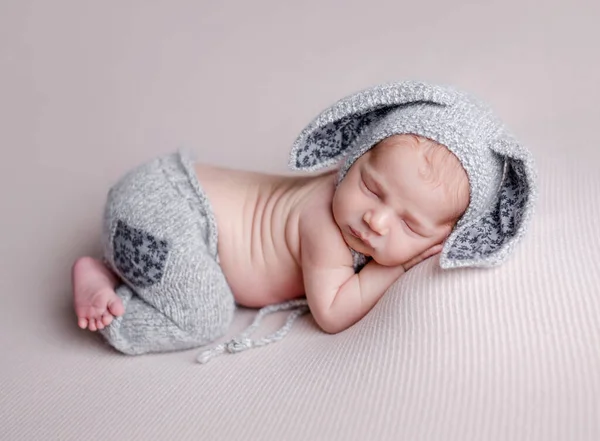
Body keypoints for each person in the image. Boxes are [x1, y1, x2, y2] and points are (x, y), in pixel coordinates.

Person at [71, 80, 537, 363]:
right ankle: (114, 306)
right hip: (167, 210)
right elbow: (332, 312)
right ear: (351, 161)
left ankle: (118, 264)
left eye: (411, 226)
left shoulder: (356, 212)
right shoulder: (325, 224)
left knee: (183, 273)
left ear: (448, 237)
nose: (375, 219)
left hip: (163, 205)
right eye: (372, 189)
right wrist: (394, 265)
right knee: (206, 316)